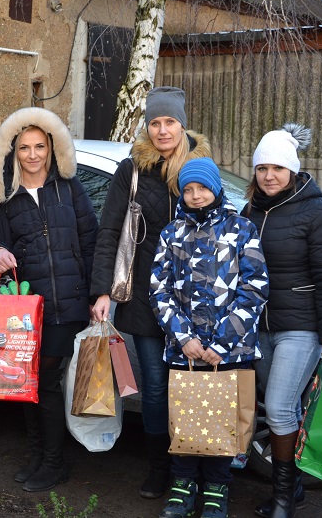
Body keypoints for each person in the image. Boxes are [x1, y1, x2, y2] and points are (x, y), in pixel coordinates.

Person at [90, 86, 212, 499]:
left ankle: (194, 471)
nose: (162, 131)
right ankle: (161, 469)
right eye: (155, 123)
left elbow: (221, 228)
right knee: (156, 388)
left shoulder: (200, 167)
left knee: (191, 387)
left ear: (182, 124)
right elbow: (109, 231)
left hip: (194, 302)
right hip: (143, 296)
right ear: (147, 126)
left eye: (169, 122)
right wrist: (102, 290)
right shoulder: (133, 170)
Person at [0, 107, 98, 492]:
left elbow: (91, 241)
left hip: (68, 303)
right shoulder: (6, 198)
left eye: (40, 147)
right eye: (25, 148)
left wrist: (98, 294)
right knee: (29, 384)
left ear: (51, 149)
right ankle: (39, 455)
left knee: (44, 382)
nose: (33, 155)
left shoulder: (69, 187)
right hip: (25, 309)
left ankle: (53, 462)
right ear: (14, 153)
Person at [150, 158, 269, 518]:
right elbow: (159, 289)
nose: (196, 195)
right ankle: (183, 484)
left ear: (216, 189)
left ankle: (217, 488)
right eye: (188, 189)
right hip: (184, 351)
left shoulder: (242, 229)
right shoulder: (172, 233)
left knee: (221, 421)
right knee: (185, 417)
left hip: (229, 352)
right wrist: (183, 336)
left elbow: (255, 288)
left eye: (202, 188)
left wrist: (222, 344)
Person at [243, 124, 322, 518]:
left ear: (293, 170)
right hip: (259, 328)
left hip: (300, 327)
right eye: (262, 167)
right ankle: (295, 486)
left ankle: (283, 499)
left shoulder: (317, 211)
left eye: (278, 168)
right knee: (275, 407)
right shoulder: (249, 209)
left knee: (283, 408)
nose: (269, 176)